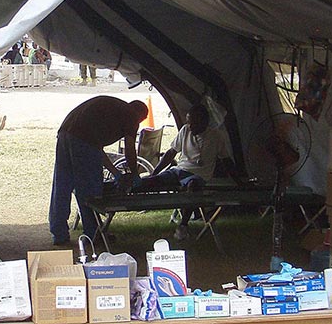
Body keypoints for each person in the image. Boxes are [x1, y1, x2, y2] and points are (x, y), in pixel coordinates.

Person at [134, 103, 244, 239]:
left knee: (193, 186)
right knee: (149, 182)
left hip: (198, 175)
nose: (190, 126)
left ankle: (183, 225)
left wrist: (239, 182)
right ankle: (116, 188)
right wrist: (155, 173)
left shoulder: (216, 136)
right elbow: (171, 153)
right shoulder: (185, 130)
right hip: (179, 171)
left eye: (193, 123)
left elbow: (226, 161)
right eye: (188, 122)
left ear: (204, 122)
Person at [48, 96, 149, 245]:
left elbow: (97, 149)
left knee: (62, 185)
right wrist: (134, 174)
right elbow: (129, 149)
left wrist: (115, 172)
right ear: (141, 117)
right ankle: (93, 233)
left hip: (65, 133)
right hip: (83, 140)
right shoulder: (131, 116)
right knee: (89, 190)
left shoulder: (114, 109)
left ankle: (59, 234)